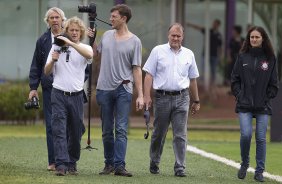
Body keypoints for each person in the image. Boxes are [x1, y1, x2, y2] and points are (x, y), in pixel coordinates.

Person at [90, 4, 143, 177]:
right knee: (106, 129)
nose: (111, 19)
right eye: (110, 16)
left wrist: (140, 95)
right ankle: (109, 164)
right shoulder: (106, 36)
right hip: (104, 89)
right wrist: (91, 40)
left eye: (114, 16)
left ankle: (120, 166)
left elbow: (136, 69)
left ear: (123, 18)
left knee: (120, 128)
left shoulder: (135, 41)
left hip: (123, 89)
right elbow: (93, 54)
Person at [143, 23, 200, 177]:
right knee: (159, 133)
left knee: (180, 134)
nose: (175, 38)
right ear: (168, 35)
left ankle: (180, 167)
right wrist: (147, 96)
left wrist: (196, 100)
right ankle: (154, 161)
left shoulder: (189, 54)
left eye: (178, 35)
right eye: (173, 35)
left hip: (182, 98)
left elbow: (193, 79)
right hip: (162, 98)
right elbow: (148, 75)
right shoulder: (157, 51)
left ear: (182, 37)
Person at [44, 16, 93, 176]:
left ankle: (72, 162)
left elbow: (89, 55)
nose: (73, 32)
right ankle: (61, 165)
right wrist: (52, 60)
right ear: (67, 31)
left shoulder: (86, 48)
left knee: (76, 131)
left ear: (81, 33)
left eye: (76, 30)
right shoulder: (55, 47)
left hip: (77, 96)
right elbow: (46, 71)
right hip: (58, 93)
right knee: (58, 130)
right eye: (71, 30)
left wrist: (70, 44)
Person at [231, 26, 279, 182]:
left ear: (263, 39)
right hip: (244, 104)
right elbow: (234, 79)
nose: (254, 39)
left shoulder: (271, 58)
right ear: (248, 39)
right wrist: (239, 94)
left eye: (257, 37)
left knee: (260, 138)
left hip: (263, 106)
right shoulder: (242, 56)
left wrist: (267, 97)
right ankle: (244, 163)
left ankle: (259, 171)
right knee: (246, 135)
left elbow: (274, 84)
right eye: (252, 37)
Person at [28, 7, 66, 171]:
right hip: (50, 88)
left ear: (62, 20)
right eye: (52, 18)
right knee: (51, 125)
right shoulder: (42, 40)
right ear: (48, 21)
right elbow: (36, 65)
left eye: (57, 17)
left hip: (69, 88)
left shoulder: (70, 37)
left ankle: (68, 160)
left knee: (72, 125)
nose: (55, 20)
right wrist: (33, 87)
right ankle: (54, 161)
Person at [187, 19, 222, 86]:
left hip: (214, 55)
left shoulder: (219, 35)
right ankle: (202, 83)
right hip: (205, 54)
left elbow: (220, 47)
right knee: (203, 68)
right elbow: (199, 28)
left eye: (216, 24)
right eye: (213, 23)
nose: (214, 25)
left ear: (218, 25)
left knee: (213, 70)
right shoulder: (209, 31)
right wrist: (190, 25)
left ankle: (212, 84)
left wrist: (220, 56)